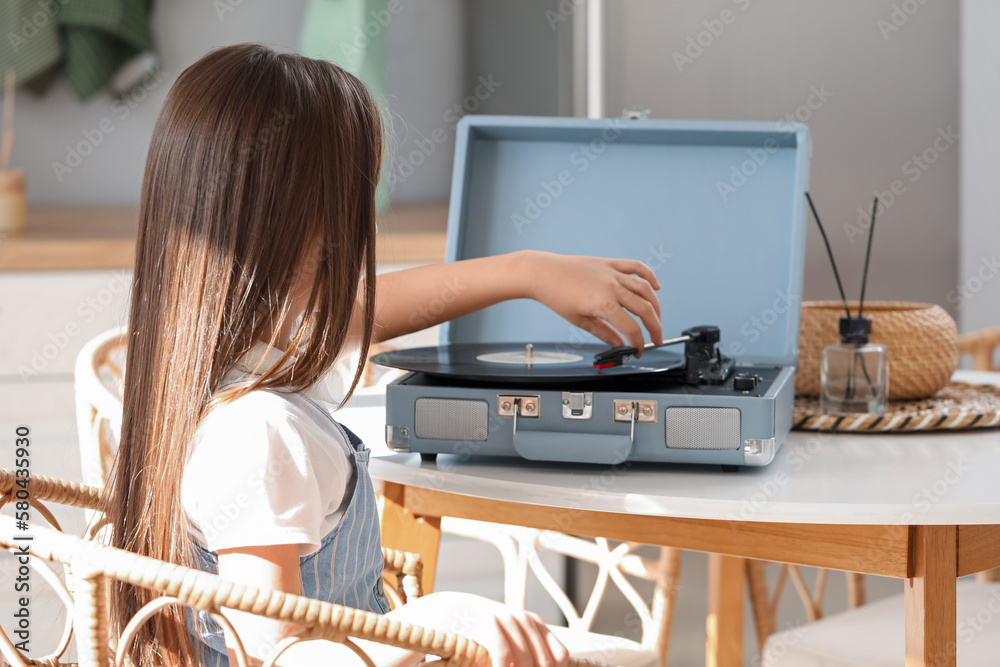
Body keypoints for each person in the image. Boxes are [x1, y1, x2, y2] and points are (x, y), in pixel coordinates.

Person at [104, 43, 664, 667]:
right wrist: (438, 619)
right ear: (315, 229)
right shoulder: (261, 434)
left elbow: (349, 313)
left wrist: (528, 271)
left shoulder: (205, 361)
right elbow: (277, 659)